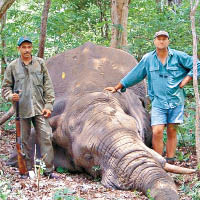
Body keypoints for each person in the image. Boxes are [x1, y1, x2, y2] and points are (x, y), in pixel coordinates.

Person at [105, 30, 200, 164]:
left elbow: (197, 64)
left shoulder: (178, 56)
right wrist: (117, 87)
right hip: (158, 102)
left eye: (164, 39)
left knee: (172, 130)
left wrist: (186, 80)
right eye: (159, 39)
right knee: (157, 131)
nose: (161, 41)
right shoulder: (148, 59)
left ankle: (171, 160)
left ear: (168, 41)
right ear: (155, 41)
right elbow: (135, 74)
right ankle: (158, 161)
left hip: (176, 100)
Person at [2, 36, 56, 178]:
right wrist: (10, 96)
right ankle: (26, 170)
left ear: (31, 48)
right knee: (23, 140)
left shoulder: (40, 63)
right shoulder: (12, 66)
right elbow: (5, 88)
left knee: (46, 137)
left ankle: (48, 170)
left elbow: (48, 86)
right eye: (23, 47)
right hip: (22, 110)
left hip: (40, 108)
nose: (26, 50)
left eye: (29, 47)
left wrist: (49, 105)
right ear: (18, 48)